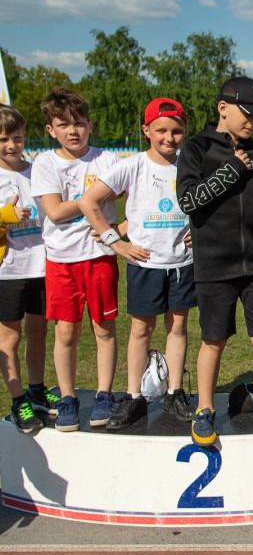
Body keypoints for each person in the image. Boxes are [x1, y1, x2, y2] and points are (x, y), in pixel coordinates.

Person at [176, 76, 253, 447]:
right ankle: (204, 409)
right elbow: (189, 201)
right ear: (223, 108)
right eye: (247, 114)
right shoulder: (196, 149)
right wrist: (230, 171)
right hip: (213, 269)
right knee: (213, 341)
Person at [80, 98, 197, 429]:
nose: (169, 137)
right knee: (141, 329)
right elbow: (89, 201)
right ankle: (134, 397)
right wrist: (114, 242)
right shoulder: (132, 166)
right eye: (161, 130)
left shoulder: (191, 165)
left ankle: (174, 393)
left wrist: (199, 234)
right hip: (145, 264)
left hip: (181, 263)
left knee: (178, 326)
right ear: (146, 131)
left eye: (176, 131)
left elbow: (208, 205)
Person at [31, 87, 122, 432]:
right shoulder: (46, 162)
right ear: (51, 129)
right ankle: (68, 399)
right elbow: (54, 212)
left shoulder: (109, 161)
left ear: (90, 125)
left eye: (79, 123)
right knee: (66, 332)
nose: (73, 131)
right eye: (64, 124)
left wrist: (121, 224)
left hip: (100, 257)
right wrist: (94, 198)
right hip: (61, 261)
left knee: (104, 329)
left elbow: (138, 194)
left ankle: (103, 395)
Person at [0, 104, 56, 432]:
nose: (11, 145)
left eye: (17, 138)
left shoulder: (36, 170)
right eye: (4, 139)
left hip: (41, 267)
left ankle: (36, 390)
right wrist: (7, 215)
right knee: (9, 340)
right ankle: (18, 398)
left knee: (38, 333)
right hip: (7, 270)